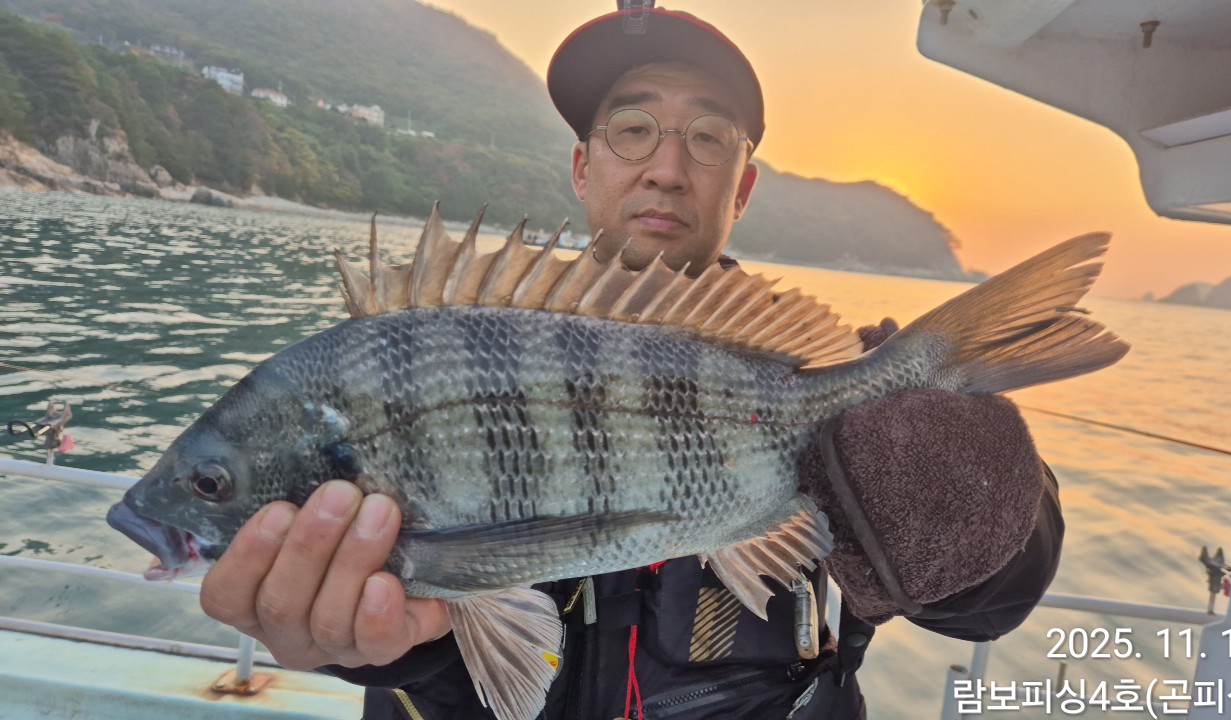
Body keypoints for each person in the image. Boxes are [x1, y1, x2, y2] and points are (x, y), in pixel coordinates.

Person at [199, 7, 1063, 718]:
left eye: (709, 138)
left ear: (743, 187)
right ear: (584, 167)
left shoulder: (841, 380)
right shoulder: (439, 361)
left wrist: (962, 498)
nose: (667, 168)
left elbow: (998, 603)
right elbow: (480, 665)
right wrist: (401, 650)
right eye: (633, 129)